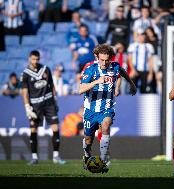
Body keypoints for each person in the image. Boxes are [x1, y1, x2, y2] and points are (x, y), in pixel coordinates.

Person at [79, 44, 137, 173]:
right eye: (102, 60)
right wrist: (96, 82)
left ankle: (103, 161)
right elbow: (80, 89)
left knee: (105, 126)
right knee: (88, 140)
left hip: (107, 107)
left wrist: (131, 84)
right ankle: (87, 155)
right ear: (97, 57)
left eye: (107, 60)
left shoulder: (114, 66)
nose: (104, 63)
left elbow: (122, 71)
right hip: (90, 110)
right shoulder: (90, 69)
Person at [21, 50, 66, 165]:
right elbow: (25, 92)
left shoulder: (45, 69)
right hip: (35, 105)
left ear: (39, 59)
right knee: (33, 129)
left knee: (55, 127)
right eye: (33, 59)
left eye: (37, 59)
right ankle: (34, 158)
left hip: (49, 102)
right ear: (29, 59)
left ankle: (56, 156)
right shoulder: (25, 73)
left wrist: (55, 101)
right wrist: (27, 107)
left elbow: (52, 86)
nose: (35, 61)